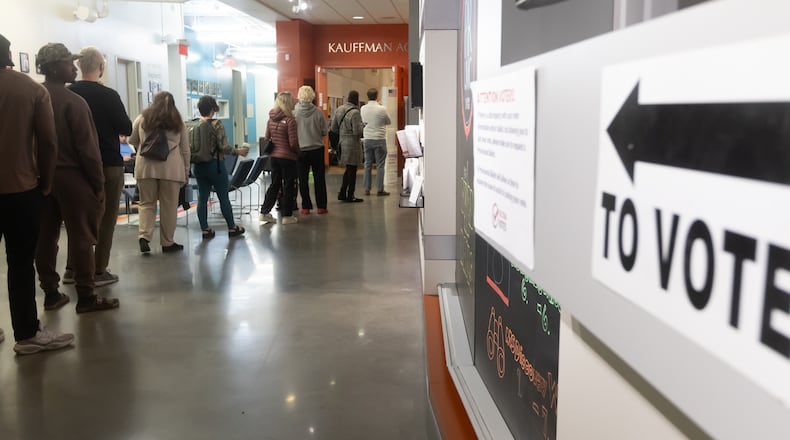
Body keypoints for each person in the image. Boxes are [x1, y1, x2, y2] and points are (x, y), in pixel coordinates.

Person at [0, 34, 75, 354]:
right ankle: (27, 334)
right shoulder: (30, 90)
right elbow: (48, 142)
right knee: (19, 263)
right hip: (20, 189)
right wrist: (44, 182)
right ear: (10, 55)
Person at [34, 42, 119, 314]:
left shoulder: (34, 95)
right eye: (68, 63)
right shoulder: (74, 102)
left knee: (45, 237)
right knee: (82, 237)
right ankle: (86, 295)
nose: (74, 67)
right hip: (73, 177)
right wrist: (97, 184)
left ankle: (50, 292)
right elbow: (88, 150)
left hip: (39, 179)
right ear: (54, 67)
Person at [66, 46, 133, 287]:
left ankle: (72, 268)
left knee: (77, 217)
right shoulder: (109, 96)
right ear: (102, 68)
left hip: (75, 165)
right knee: (106, 219)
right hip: (108, 163)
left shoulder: (69, 93)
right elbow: (126, 128)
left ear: (78, 66)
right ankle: (98, 269)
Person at [129, 91, 191, 253]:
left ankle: (144, 236)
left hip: (146, 167)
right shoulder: (178, 122)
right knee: (169, 206)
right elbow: (185, 150)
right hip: (171, 169)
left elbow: (132, 140)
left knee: (146, 203)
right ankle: (167, 242)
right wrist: (185, 172)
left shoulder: (142, 118)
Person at [191, 95, 247, 239]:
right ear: (212, 109)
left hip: (198, 167)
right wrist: (238, 151)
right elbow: (224, 147)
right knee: (223, 197)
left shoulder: (194, 124)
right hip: (215, 166)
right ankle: (232, 227)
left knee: (202, 198)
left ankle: (205, 229)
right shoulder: (217, 124)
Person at [259, 91, 300, 225]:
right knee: (288, 186)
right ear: (288, 103)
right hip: (288, 157)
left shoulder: (271, 119)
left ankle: (264, 212)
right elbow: (293, 143)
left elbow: (266, 138)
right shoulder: (290, 120)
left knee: (275, 185)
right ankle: (287, 216)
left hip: (274, 157)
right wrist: (298, 152)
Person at [294, 85, 329, 215]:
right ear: (312, 96)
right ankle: (321, 206)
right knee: (319, 178)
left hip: (300, 150)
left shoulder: (294, 112)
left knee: (302, 179)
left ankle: (306, 207)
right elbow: (324, 131)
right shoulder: (318, 112)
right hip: (317, 149)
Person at [330, 90, 364, 203]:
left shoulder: (339, 109)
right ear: (356, 99)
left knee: (348, 169)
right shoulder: (355, 112)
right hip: (352, 144)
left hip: (341, 143)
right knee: (352, 169)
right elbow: (357, 132)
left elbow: (333, 128)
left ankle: (342, 193)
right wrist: (362, 126)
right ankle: (350, 194)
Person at [360, 87, 392, 196]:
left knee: (367, 164)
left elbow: (363, 122)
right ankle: (380, 189)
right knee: (380, 165)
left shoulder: (363, 108)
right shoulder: (381, 109)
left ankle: (366, 189)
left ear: (367, 96)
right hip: (379, 139)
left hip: (367, 139)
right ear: (377, 96)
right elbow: (388, 121)